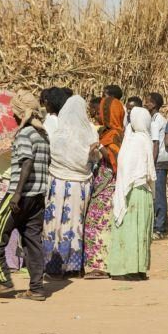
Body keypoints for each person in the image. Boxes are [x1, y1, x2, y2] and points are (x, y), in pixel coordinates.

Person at [0, 91, 50, 300]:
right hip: (38, 196)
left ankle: (4, 282)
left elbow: (26, 162)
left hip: (19, 195)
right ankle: (36, 288)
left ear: (19, 113)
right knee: (32, 242)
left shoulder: (24, 134)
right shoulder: (43, 134)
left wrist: (17, 194)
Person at [44, 95, 98, 277]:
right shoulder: (90, 130)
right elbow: (93, 157)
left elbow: (51, 153)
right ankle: (73, 266)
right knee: (75, 222)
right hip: (80, 184)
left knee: (55, 221)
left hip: (57, 182)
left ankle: (52, 264)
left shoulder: (58, 130)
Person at [108, 107, 155, 279]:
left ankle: (130, 268)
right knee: (137, 231)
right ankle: (133, 269)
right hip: (138, 191)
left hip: (131, 190)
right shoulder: (141, 140)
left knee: (131, 230)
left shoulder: (132, 139)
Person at [84, 93, 125, 278]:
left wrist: (100, 148)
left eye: (101, 112)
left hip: (108, 188)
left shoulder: (116, 135)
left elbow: (114, 158)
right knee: (95, 223)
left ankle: (102, 266)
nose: (98, 115)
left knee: (102, 224)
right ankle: (95, 264)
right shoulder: (105, 133)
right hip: (100, 185)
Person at [145, 92, 168, 240]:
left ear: (153, 104)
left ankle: (159, 228)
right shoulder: (155, 119)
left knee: (158, 194)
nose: (145, 103)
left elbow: (155, 143)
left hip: (158, 160)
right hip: (159, 159)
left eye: (147, 102)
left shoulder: (156, 121)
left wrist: (151, 163)